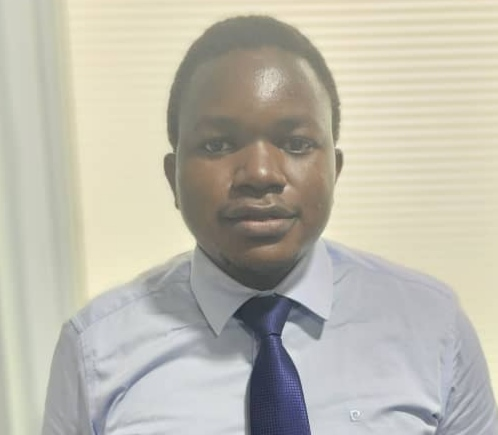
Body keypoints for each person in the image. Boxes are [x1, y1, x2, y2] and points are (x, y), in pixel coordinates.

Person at [42, 15, 497, 435]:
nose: (260, 174)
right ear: (172, 177)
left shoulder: (434, 329)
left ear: (334, 170)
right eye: (218, 145)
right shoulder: (96, 351)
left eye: (296, 143)